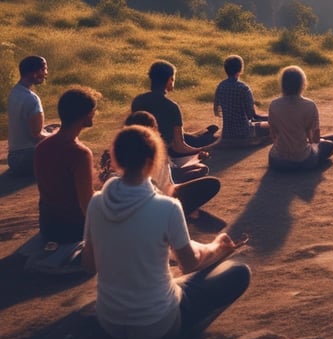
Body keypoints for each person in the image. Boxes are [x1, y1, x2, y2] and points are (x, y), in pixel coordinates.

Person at [83, 125, 250, 339]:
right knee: (239, 271)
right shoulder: (167, 207)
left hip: (110, 322)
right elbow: (189, 265)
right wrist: (217, 247)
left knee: (174, 281)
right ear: (153, 161)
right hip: (158, 323)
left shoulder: (96, 203)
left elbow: (89, 266)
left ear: (115, 160)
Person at [99, 111, 221, 219]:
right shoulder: (154, 152)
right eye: (156, 129)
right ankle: (184, 210)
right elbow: (167, 187)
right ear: (152, 130)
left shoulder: (117, 152)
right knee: (210, 183)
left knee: (200, 171)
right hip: (156, 203)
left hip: (133, 202)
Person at [33, 86, 100, 243]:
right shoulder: (80, 153)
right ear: (86, 115)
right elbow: (87, 206)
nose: (94, 114)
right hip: (72, 229)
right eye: (93, 111)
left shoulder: (42, 146)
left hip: (48, 226)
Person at [132, 60, 218, 162]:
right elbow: (179, 146)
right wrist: (199, 151)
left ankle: (204, 133)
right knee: (205, 140)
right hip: (167, 151)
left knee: (192, 137)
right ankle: (207, 135)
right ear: (170, 80)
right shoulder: (171, 106)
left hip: (143, 149)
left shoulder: (138, 101)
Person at [268, 66, 333, 170]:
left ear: (283, 85)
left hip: (277, 161)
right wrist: (312, 144)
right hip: (304, 160)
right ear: (302, 84)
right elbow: (315, 136)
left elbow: (273, 134)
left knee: (327, 139)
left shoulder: (273, 105)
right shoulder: (310, 105)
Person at [7, 55, 51, 177]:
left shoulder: (14, 92)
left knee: (52, 128)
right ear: (34, 74)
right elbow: (36, 134)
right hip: (28, 159)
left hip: (14, 158)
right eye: (44, 69)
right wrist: (55, 135)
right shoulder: (32, 99)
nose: (46, 73)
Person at [213, 55, 270, 144]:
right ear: (241, 69)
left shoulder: (220, 86)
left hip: (227, 132)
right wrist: (271, 118)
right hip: (244, 131)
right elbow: (252, 115)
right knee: (271, 126)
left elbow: (217, 110)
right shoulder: (244, 88)